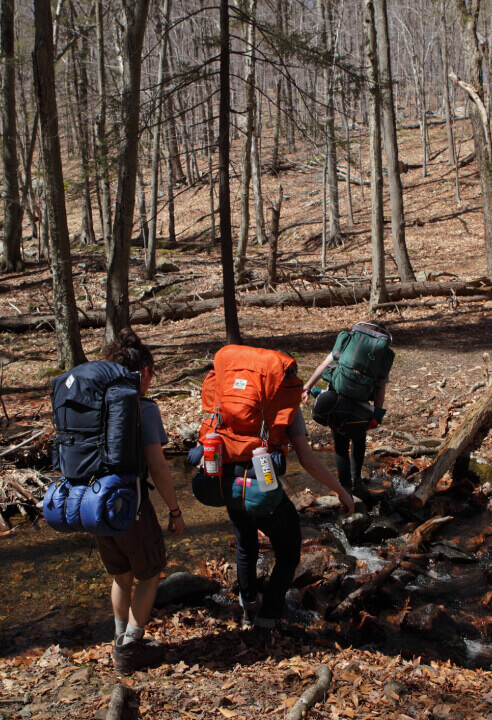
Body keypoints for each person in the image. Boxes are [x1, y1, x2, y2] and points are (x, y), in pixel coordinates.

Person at [98, 329, 185, 674]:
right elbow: (158, 465)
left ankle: (119, 640)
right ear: (144, 371)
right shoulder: (142, 408)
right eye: (152, 371)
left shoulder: (97, 403)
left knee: (121, 574)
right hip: (130, 505)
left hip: (95, 503)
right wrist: (175, 510)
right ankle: (131, 648)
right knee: (149, 574)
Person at [227, 408, 354, 631]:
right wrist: (341, 491)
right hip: (264, 491)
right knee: (288, 551)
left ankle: (249, 609)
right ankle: (269, 614)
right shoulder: (285, 402)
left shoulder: (232, 395)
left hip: (231, 485)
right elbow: (307, 459)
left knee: (246, 546)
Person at [302, 327, 390, 491]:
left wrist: (307, 386)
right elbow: (380, 389)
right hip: (359, 407)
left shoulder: (349, 343)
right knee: (358, 440)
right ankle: (356, 482)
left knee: (341, 446)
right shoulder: (382, 356)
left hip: (336, 401)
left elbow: (323, 365)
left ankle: (344, 489)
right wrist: (376, 415)